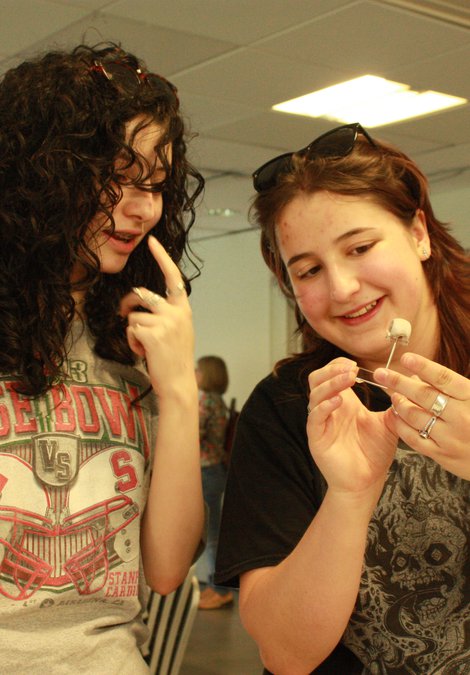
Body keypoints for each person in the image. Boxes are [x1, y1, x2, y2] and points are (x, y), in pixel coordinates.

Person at [215, 123, 469, 674]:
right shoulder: (289, 408)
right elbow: (285, 652)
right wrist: (350, 497)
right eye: (308, 270)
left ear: (419, 234)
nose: (343, 288)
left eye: (360, 247)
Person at [0, 42, 205, 673]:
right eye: (118, 175)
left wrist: (178, 391)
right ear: (44, 173)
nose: (141, 207)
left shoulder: (133, 337)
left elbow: (166, 569)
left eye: (155, 184)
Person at [195, 355, 233, 609]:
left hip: (206, 471)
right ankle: (216, 587)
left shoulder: (206, 402)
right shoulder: (217, 401)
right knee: (212, 532)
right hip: (215, 470)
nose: (195, 374)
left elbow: (192, 434)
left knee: (210, 534)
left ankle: (219, 590)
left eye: (198, 370)